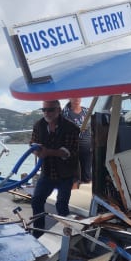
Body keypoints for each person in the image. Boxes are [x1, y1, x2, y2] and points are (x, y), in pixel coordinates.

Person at [29, 100, 80, 237]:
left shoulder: (71, 128)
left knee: (62, 205)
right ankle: (38, 233)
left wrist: (47, 152)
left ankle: (66, 237)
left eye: (50, 110)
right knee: (37, 200)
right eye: (44, 110)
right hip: (47, 172)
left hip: (65, 173)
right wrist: (36, 150)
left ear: (58, 110)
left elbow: (69, 152)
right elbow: (32, 144)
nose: (46, 113)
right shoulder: (39, 125)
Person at [62, 98, 93, 186]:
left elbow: (94, 126)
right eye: (74, 96)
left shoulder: (87, 111)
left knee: (87, 174)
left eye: (79, 96)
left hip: (87, 146)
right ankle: (72, 194)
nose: (77, 99)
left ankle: (87, 194)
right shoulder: (64, 113)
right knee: (73, 176)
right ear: (69, 98)